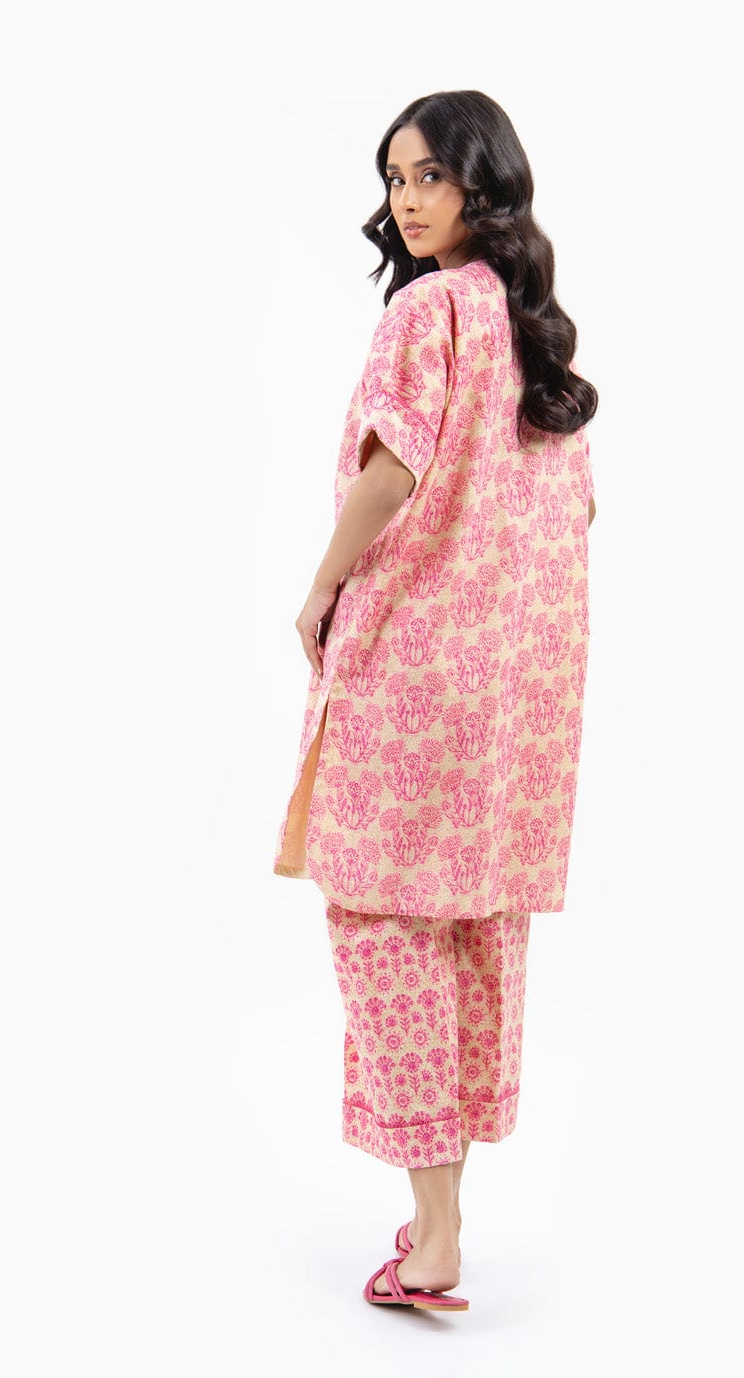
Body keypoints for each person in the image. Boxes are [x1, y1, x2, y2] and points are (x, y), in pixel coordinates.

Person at [272, 89, 598, 1312]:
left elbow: (395, 464)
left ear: (483, 184)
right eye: (396, 178)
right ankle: (438, 1223)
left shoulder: (430, 309)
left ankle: (439, 1231)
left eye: (431, 177)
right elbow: (573, 510)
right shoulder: (534, 329)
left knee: (383, 923)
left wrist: (323, 584)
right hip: (511, 698)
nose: (407, 200)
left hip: (414, 677)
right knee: (465, 932)